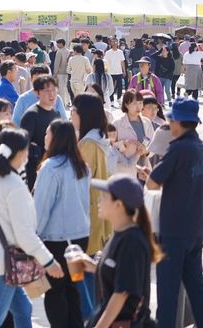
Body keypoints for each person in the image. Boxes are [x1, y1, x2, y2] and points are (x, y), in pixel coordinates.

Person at [0, 128, 64, 328]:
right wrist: (49, 261)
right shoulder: (14, 185)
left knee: (22, 309)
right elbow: (25, 235)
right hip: (2, 264)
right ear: (20, 153)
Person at [142, 97, 203, 327]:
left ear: (177, 122)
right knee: (196, 288)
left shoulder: (178, 149)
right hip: (195, 229)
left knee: (168, 292)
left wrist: (148, 175)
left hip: (173, 230)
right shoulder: (199, 147)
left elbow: (152, 183)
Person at [76, 175, 161, 327]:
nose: (99, 201)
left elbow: (122, 293)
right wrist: (95, 267)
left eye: (105, 197)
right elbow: (122, 273)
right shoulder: (118, 234)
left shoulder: (132, 241)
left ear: (119, 205)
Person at [34, 120, 90, 328]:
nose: (44, 137)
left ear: (56, 138)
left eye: (48, 133)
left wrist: (33, 239)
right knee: (73, 288)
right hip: (80, 238)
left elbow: (41, 208)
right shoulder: (81, 165)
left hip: (57, 241)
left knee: (54, 291)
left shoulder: (51, 167)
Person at [71, 92, 113, 317]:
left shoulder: (88, 144)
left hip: (86, 213)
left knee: (81, 268)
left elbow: (79, 181)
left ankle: (91, 318)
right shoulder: (100, 138)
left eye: (74, 111)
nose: (71, 114)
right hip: (98, 210)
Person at [20, 75, 62, 190]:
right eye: (47, 90)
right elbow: (23, 146)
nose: (52, 94)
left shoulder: (56, 114)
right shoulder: (31, 115)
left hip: (53, 168)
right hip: (34, 170)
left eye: (54, 90)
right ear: (37, 93)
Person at [113, 90, 154, 173]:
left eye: (140, 103)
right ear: (126, 104)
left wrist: (146, 151)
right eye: (135, 103)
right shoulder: (117, 123)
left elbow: (153, 144)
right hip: (124, 170)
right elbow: (108, 146)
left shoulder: (147, 122)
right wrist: (123, 144)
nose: (138, 107)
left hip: (144, 168)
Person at [103, 38, 126, 105]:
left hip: (119, 71)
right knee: (111, 86)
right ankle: (111, 100)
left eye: (116, 42)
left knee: (120, 86)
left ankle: (119, 98)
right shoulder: (108, 52)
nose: (115, 43)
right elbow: (105, 62)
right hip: (111, 72)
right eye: (113, 42)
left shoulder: (120, 52)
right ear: (111, 43)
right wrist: (106, 71)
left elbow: (122, 62)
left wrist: (124, 70)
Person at [53, 39, 71, 106]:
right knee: (66, 88)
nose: (57, 45)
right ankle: (67, 101)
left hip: (60, 73)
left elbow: (57, 63)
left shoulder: (59, 51)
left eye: (58, 43)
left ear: (61, 44)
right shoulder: (68, 51)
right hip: (67, 72)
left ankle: (62, 103)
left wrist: (55, 73)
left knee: (61, 89)